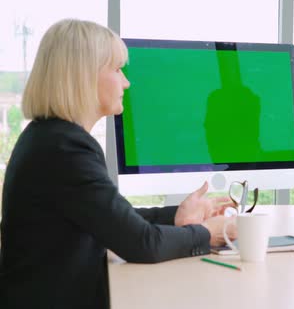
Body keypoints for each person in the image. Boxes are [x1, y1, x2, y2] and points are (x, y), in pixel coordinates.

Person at [0, 19, 238, 308]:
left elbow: (114, 218)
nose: (126, 81)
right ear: (83, 75)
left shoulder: (50, 139)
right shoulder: (64, 150)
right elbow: (141, 244)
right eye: (116, 69)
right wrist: (210, 233)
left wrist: (177, 216)